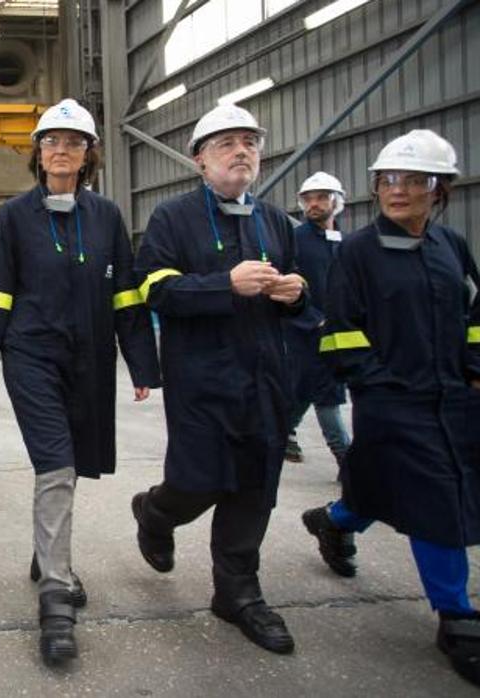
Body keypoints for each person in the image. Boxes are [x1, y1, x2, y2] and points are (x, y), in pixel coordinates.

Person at [0, 100, 160, 664]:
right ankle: (55, 596)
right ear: (38, 152)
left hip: (90, 360)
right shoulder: (15, 216)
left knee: (74, 461)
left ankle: (45, 553)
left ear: (88, 155)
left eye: (73, 142)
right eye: (51, 141)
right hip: (30, 356)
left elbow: (125, 293)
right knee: (57, 466)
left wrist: (141, 363)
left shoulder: (107, 217)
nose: (60, 150)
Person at [300, 129, 480, 687]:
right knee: (436, 502)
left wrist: (474, 370)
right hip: (391, 399)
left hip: (454, 398)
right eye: (387, 180)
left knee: (379, 485)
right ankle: (457, 617)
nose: (398, 190)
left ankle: (333, 521)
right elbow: (340, 332)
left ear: (439, 188)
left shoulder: (452, 247)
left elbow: (476, 314)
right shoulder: (357, 252)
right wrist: (373, 382)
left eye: (413, 180)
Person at [131, 104, 305, 656]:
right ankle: (156, 511)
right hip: (203, 380)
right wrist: (223, 284)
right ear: (200, 159)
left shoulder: (276, 222)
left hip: (265, 381)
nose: (241, 152)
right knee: (199, 480)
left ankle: (237, 593)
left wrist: (297, 295)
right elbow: (155, 290)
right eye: (227, 143)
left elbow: (306, 299)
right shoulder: (172, 218)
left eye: (249, 142)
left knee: (254, 487)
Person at [283, 172, 351, 470]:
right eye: (308, 199)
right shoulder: (295, 241)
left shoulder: (346, 243)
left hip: (341, 332)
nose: (314, 204)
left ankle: (283, 431)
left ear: (337, 201)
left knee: (307, 390)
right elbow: (289, 285)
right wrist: (314, 319)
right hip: (305, 331)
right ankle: (347, 461)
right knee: (326, 394)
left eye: (321, 197)